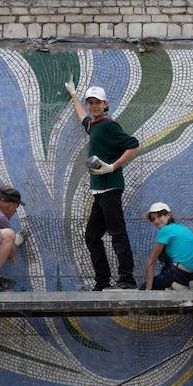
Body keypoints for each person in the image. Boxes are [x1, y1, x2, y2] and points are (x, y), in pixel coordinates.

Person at [64, 80, 140, 291]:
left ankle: (127, 279)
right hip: (99, 190)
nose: (93, 106)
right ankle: (103, 281)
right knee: (92, 237)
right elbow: (82, 117)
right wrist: (73, 95)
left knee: (117, 233)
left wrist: (113, 166)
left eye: (97, 103)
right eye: (90, 102)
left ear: (105, 104)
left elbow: (134, 145)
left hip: (111, 187)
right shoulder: (93, 125)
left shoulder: (109, 125)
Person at [142, 202, 193, 290]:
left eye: (159, 216)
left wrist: (147, 291)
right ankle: (176, 285)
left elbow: (151, 263)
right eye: (153, 219)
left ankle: (175, 284)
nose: (156, 221)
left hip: (178, 274)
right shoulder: (183, 228)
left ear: (168, 215)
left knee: (143, 287)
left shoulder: (165, 230)